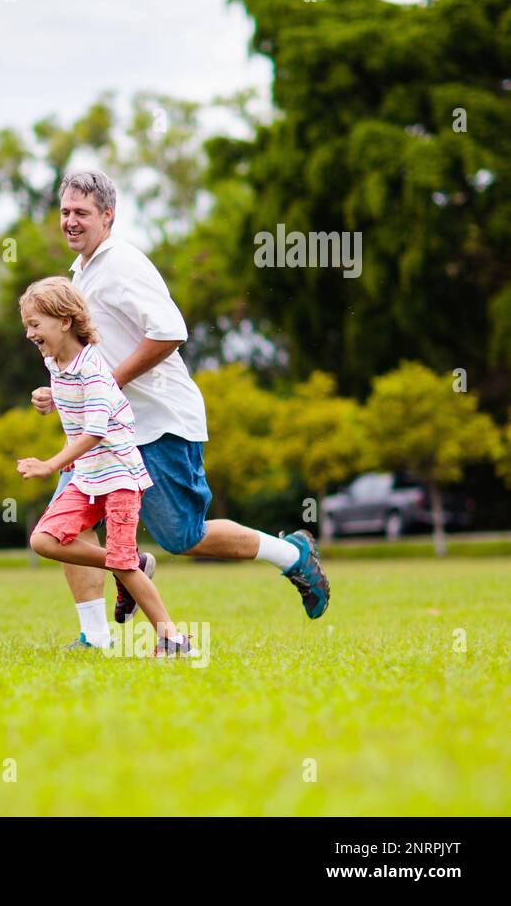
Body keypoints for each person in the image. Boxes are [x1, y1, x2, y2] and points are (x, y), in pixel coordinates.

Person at [31, 170, 329, 648]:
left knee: (181, 536)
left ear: (108, 216)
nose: (70, 221)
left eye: (81, 213)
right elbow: (88, 355)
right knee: (61, 527)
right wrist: (62, 389)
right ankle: (95, 637)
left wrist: (109, 384)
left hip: (159, 423)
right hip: (101, 432)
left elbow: (170, 332)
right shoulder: (83, 271)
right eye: (65, 211)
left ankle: (291, 554)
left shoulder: (122, 264)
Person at [18, 276, 193, 655]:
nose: (29, 333)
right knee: (43, 540)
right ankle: (132, 562)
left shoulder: (93, 369)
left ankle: (174, 640)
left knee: (120, 560)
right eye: (27, 326)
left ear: (64, 321)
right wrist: (52, 398)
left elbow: (96, 431)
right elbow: (77, 407)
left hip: (118, 476)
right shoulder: (55, 362)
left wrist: (51, 464)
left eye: (35, 324)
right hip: (87, 475)